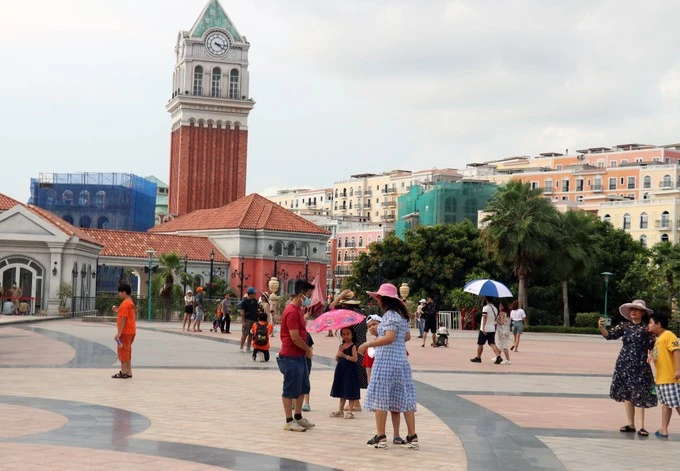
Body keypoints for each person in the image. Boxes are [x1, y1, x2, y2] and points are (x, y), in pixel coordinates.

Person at [358, 283, 418, 450]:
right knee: (405, 398)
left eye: (378, 298)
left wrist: (369, 343)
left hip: (386, 362)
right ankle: (412, 436)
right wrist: (382, 335)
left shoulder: (390, 316)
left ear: (386, 300)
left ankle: (381, 436)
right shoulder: (401, 315)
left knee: (380, 397)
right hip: (401, 362)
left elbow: (390, 337)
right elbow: (405, 337)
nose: (377, 301)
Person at [598, 299, 657, 437]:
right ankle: (631, 424)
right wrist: (601, 327)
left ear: (642, 312)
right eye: (631, 309)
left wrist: (652, 356)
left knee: (639, 393)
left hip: (640, 364)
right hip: (624, 363)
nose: (633, 312)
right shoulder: (624, 326)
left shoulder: (647, 328)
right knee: (627, 394)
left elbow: (653, 346)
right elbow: (609, 335)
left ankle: (642, 426)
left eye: (636, 310)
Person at [277, 279, 315, 432]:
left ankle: (298, 417)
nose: (309, 298)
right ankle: (288, 420)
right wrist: (307, 349)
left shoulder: (299, 310)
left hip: (300, 356)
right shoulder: (292, 311)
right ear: (301, 295)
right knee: (290, 388)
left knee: (302, 387)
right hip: (291, 356)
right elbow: (294, 336)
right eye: (308, 295)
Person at [647, 312, 680, 438]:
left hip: (671, 378)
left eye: (651, 322)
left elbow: (676, 351)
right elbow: (658, 355)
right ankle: (663, 429)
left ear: (658, 324)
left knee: (677, 403)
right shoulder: (658, 339)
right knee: (666, 404)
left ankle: (663, 429)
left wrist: (678, 369)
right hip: (662, 379)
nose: (649, 325)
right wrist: (651, 356)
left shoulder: (669, 335)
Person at [330, 327, 361, 419]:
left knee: (350, 389)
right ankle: (340, 409)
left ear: (352, 335)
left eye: (348, 334)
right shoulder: (341, 346)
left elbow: (355, 359)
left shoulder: (353, 346)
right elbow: (337, 358)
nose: (346, 336)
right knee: (342, 389)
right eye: (343, 334)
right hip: (341, 370)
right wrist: (339, 353)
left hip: (350, 371)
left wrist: (344, 355)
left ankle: (351, 411)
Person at [111, 283, 136, 379]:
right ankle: (129, 371)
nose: (119, 294)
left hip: (125, 332)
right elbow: (125, 314)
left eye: (120, 292)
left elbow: (124, 318)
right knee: (128, 351)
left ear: (124, 292)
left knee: (123, 351)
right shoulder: (130, 302)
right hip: (131, 331)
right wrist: (117, 310)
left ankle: (123, 371)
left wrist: (119, 333)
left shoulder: (125, 304)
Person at [470, 297, 502, 364]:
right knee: (492, 343)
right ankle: (498, 356)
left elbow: (485, 317)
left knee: (480, 343)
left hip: (485, 329)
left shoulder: (485, 308)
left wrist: (483, 328)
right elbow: (495, 319)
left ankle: (478, 357)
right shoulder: (495, 309)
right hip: (492, 329)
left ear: (486, 300)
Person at [239, 287, 259, 352]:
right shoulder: (244, 302)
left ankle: (248, 347)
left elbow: (258, 310)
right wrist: (243, 321)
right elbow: (242, 312)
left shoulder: (255, 301)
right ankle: (241, 347)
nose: (255, 294)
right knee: (245, 333)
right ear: (250, 294)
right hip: (247, 319)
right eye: (254, 293)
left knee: (251, 334)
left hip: (254, 319)